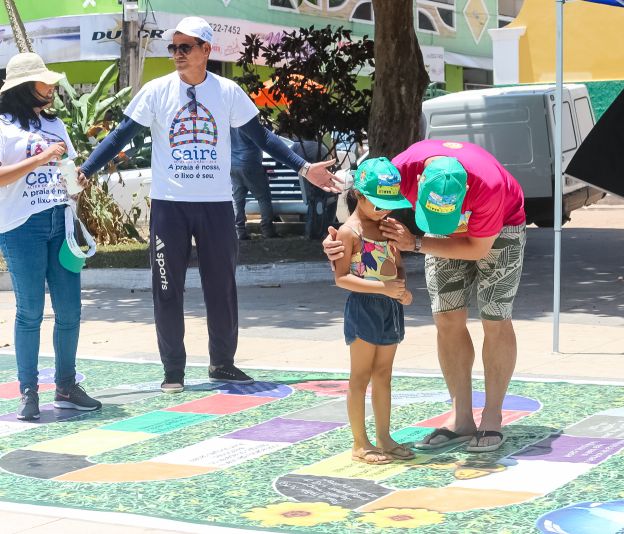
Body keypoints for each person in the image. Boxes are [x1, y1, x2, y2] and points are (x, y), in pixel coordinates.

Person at [79, 17, 341, 394]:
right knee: (167, 288)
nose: (177, 54)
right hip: (170, 207)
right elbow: (121, 134)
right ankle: (173, 370)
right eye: (173, 47)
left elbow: (262, 137)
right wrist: (86, 170)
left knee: (221, 288)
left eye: (185, 47)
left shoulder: (227, 91)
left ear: (206, 50)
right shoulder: (156, 91)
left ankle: (223, 364)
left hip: (216, 207)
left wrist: (304, 167)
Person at [325, 140, 526, 453]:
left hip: (499, 230)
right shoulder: (399, 171)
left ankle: (492, 416)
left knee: (494, 317)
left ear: (465, 190)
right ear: (418, 181)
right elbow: (362, 210)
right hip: (441, 230)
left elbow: (477, 249)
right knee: (447, 317)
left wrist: (416, 244)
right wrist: (338, 243)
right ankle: (461, 418)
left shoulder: (490, 187)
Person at [0, 53, 100, 420]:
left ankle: (66, 386)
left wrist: (78, 182)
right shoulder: (2, 126)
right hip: (21, 226)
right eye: (45, 82)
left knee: (70, 310)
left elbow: (68, 170)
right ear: (26, 87)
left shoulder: (56, 124)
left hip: (62, 222)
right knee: (30, 311)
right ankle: (28, 391)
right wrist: (40, 158)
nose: (53, 87)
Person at [334, 157, 414, 464]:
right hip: (364, 307)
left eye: (389, 205)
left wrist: (402, 290)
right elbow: (341, 278)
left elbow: (398, 265)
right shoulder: (350, 232)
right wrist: (382, 288)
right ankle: (360, 443)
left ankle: (384, 437)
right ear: (360, 196)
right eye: (379, 204)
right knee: (360, 376)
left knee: (384, 374)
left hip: (390, 307)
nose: (384, 211)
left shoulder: (388, 227)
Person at [230, 127, 278, 240]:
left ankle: (239, 232)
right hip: (251, 163)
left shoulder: (229, 122)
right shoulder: (248, 122)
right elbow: (263, 141)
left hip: (233, 164)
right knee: (263, 198)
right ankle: (267, 230)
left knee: (237, 199)